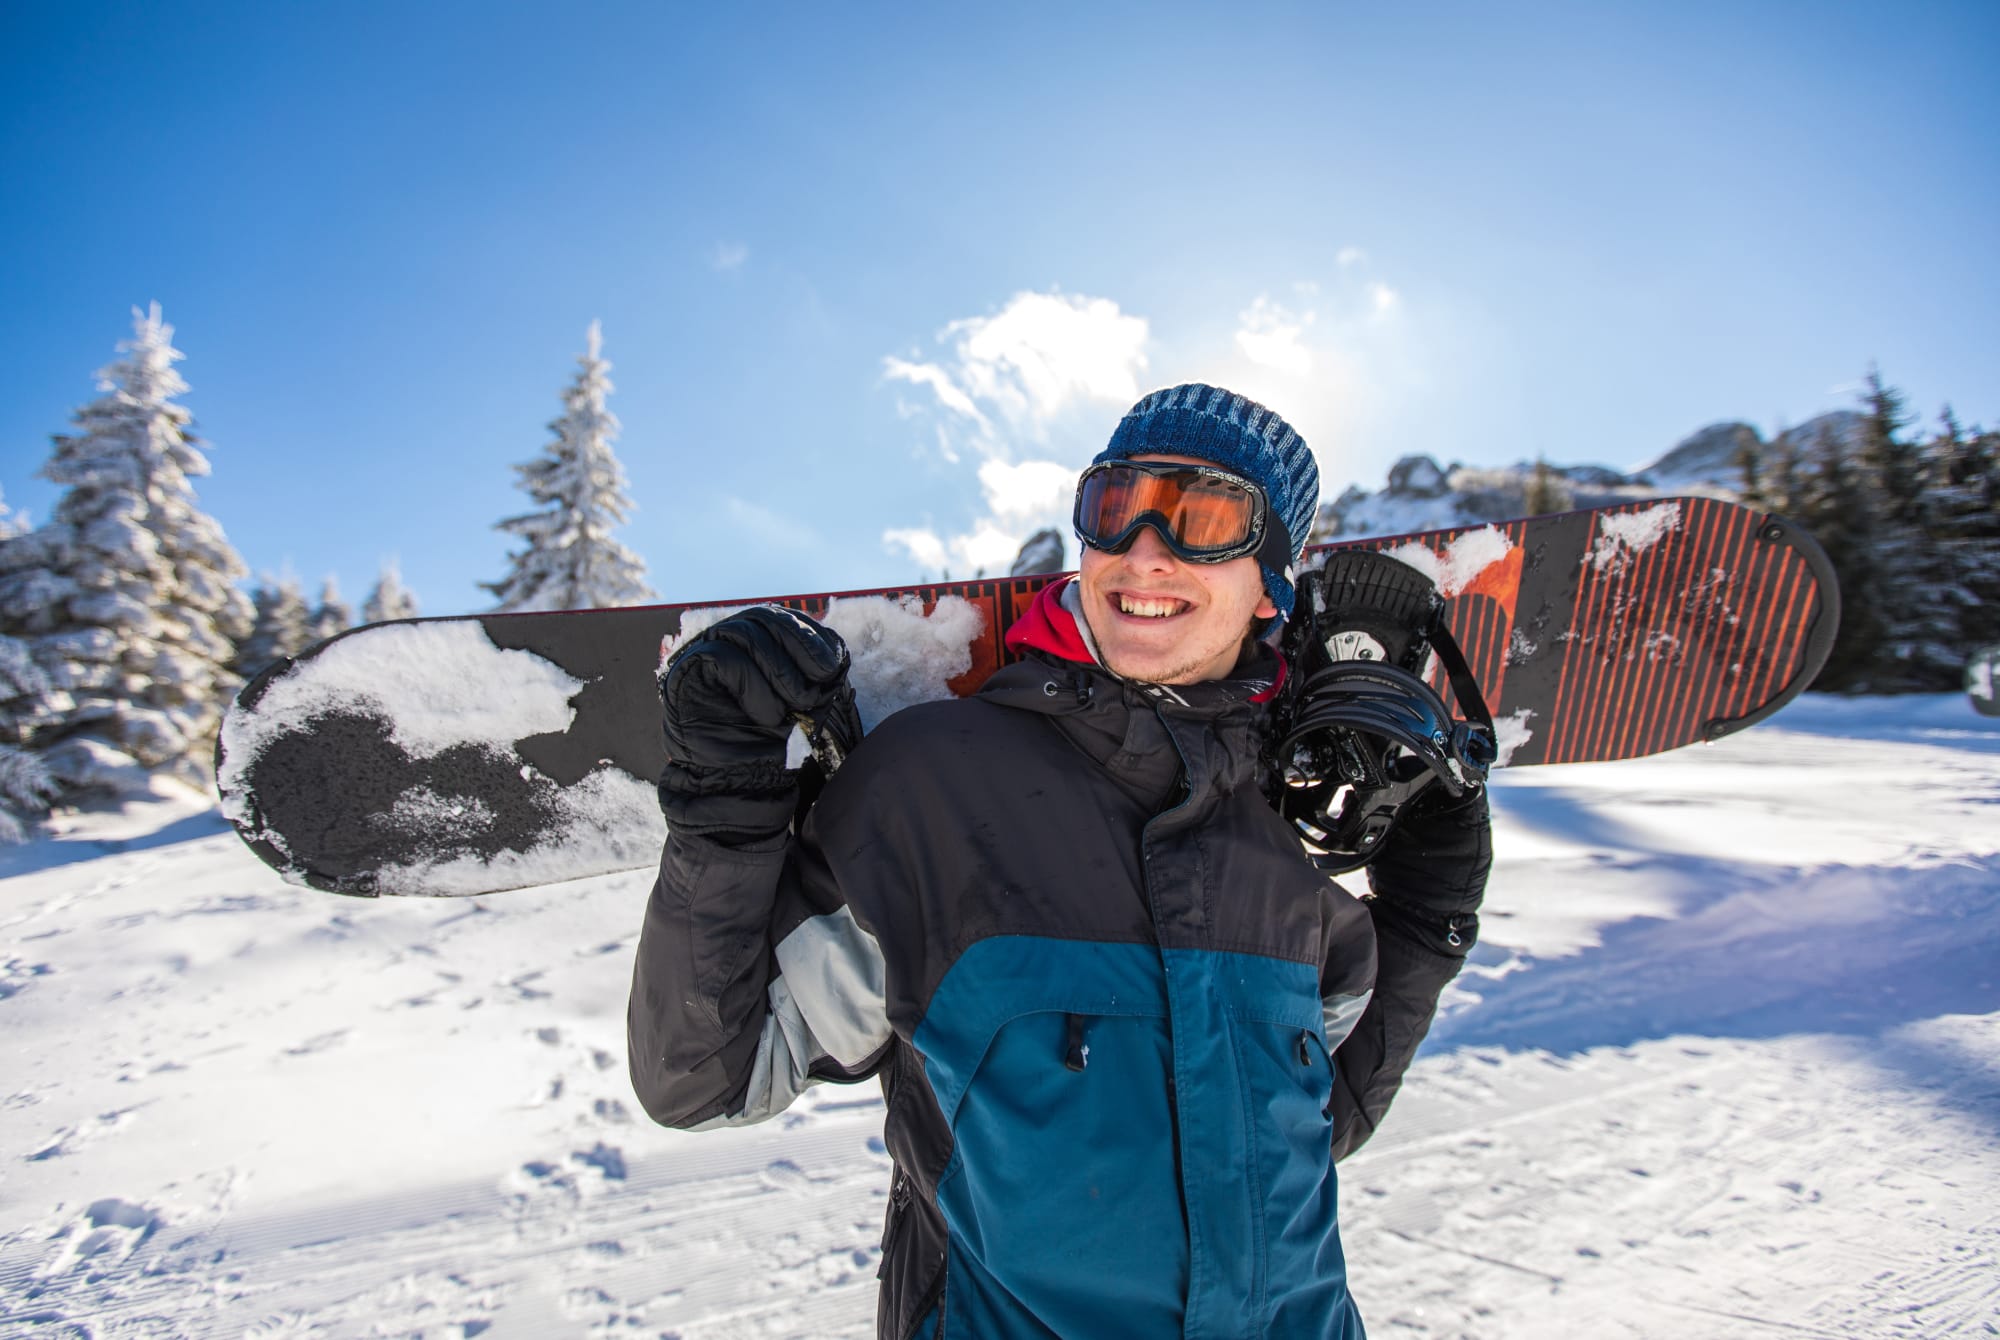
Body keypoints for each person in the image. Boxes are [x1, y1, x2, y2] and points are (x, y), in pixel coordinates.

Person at [629, 383, 1492, 1339]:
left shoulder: (1279, 835)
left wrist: (1425, 920)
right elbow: (707, 1077)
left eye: (1204, 516)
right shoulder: (932, 790)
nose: (1146, 548)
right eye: (1116, 508)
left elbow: (1302, 1137)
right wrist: (724, 804)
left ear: (1273, 586)